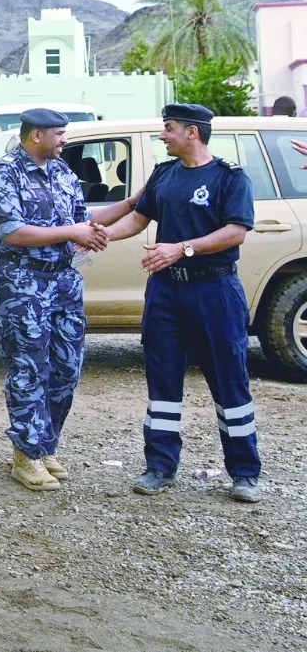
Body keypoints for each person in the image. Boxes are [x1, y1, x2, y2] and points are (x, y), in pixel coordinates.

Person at [94, 103, 263, 502]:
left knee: (229, 382)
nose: (162, 135)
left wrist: (181, 249)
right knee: (162, 380)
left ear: (193, 132)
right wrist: (100, 235)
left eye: (168, 128)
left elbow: (236, 232)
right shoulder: (164, 175)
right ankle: (160, 467)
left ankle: (244, 473)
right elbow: (137, 219)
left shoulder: (230, 178)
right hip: (167, 292)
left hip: (215, 292)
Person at [0, 107, 107, 491]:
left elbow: (81, 217)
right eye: (59, 134)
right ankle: (26, 454)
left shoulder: (63, 173)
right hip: (21, 282)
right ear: (36, 135)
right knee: (28, 368)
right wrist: (74, 231)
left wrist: (104, 223)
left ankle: (45, 444)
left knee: (67, 367)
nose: (65, 140)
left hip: (64, 281)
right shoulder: (5, 173)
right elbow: (13, 232)